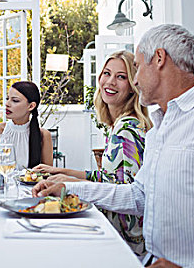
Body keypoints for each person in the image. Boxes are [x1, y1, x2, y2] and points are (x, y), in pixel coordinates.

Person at [33, 24, 194, 268]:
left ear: (159, 58)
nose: (135, 79)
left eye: (136, 66)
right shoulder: (159, 129)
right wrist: (68, 188)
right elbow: (139, 196)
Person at [33, 50, 152, 257]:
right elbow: (109, 178)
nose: (110, 82)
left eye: (121, 77)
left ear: (133, 87)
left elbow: (128, 193)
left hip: (125, 239)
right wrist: (61, 171)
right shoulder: (118, 125)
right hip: (116, 228)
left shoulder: (128, 129)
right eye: (107, 73)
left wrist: (69, 183)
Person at [0, 81, 53, 168]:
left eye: (15, 100)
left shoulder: (43, 135)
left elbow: (47, 174)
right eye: (7, 98)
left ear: (31, 106)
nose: (7, 104)